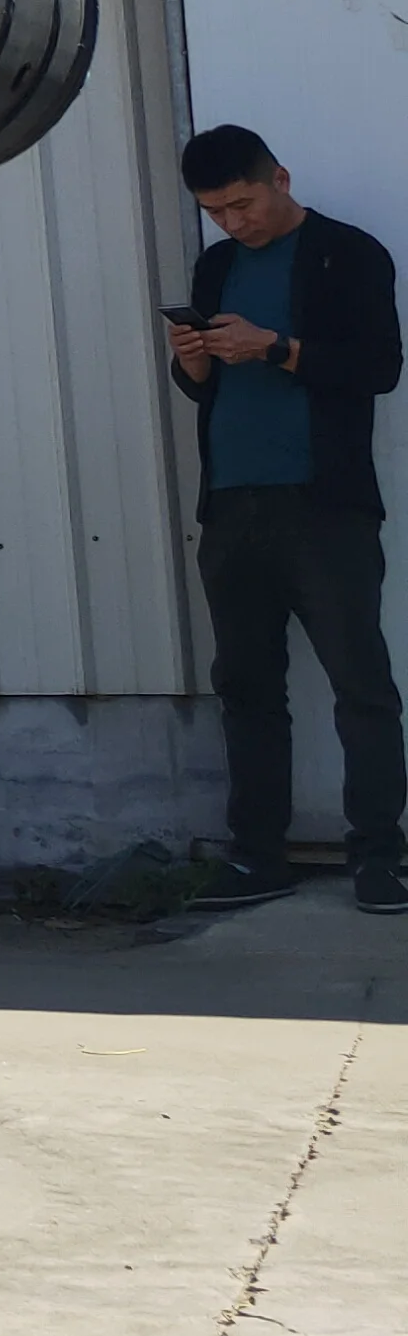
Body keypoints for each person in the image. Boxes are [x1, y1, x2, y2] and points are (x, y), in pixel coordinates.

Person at [166, 127, 404, 912]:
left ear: (281, 177)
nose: (234, 225)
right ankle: (257, 856)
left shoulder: (348, 254)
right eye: (215, 213)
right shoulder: (218, 266)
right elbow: (209, 391)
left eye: (242, 204)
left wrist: (276, 347)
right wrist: (194, 361)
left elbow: (378, 369)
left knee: (360, 686)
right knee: (246, 688)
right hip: (232, 504)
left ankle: (381, 857)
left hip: (323, 504)